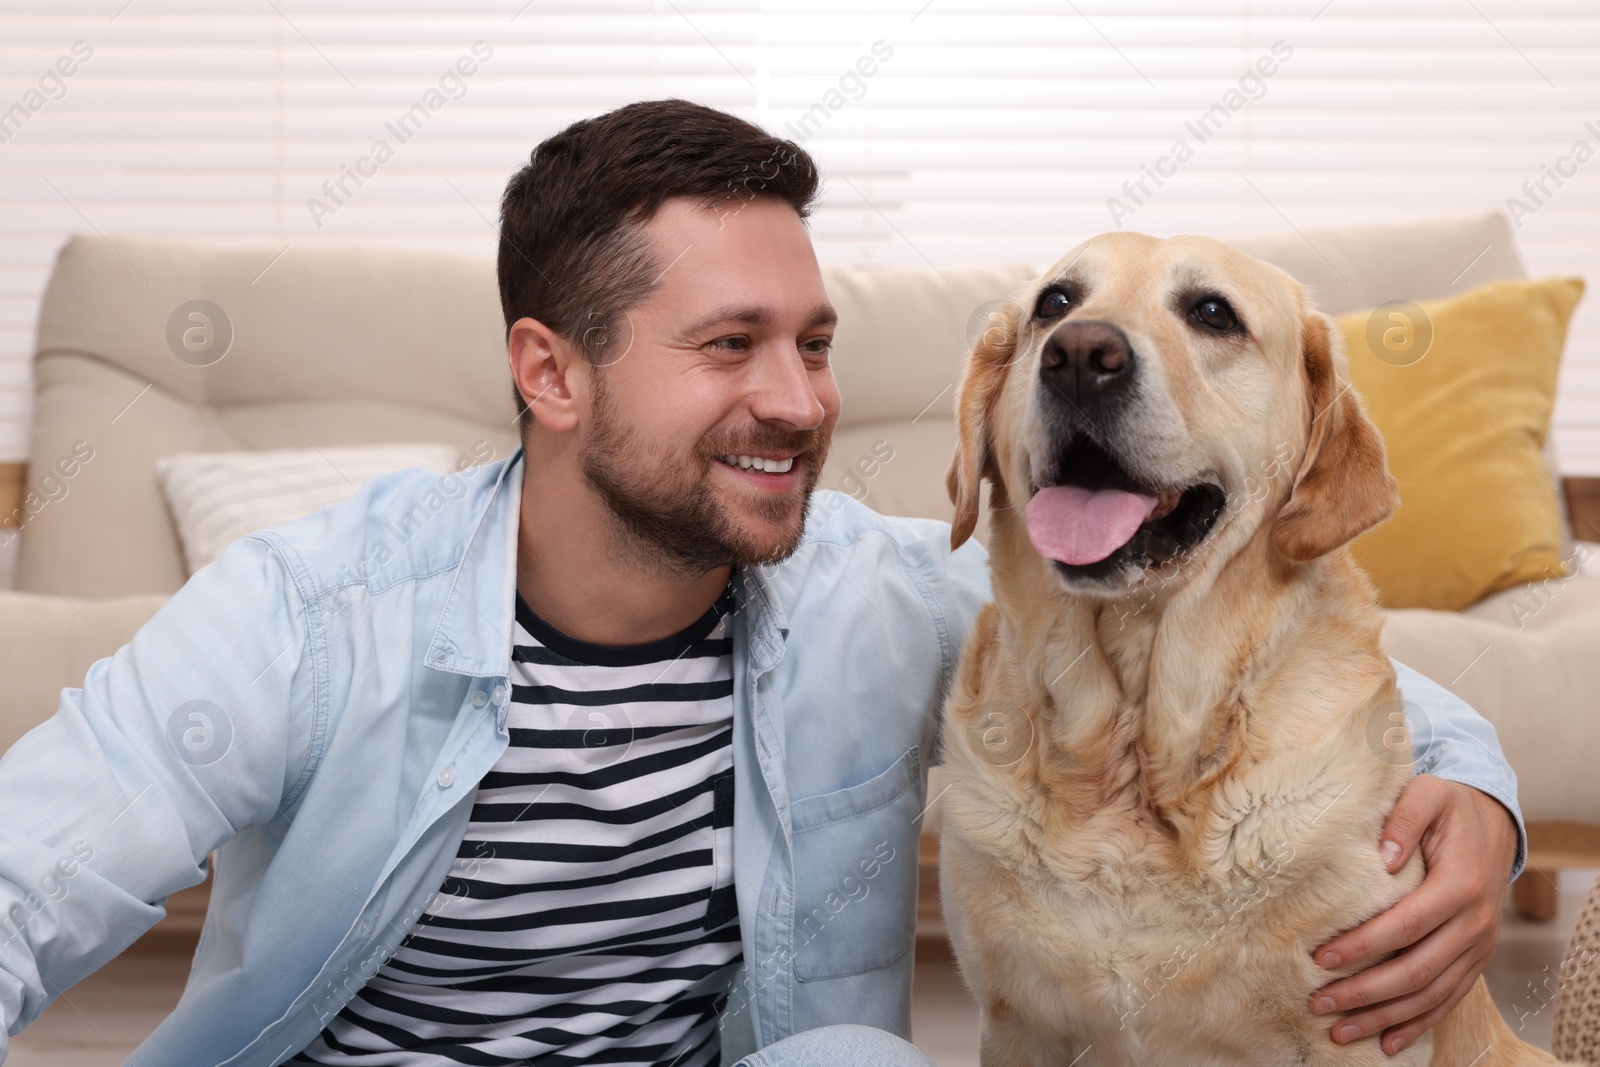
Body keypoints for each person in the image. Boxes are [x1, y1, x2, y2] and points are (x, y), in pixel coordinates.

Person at [0, 99, 1526, 1067]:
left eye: (813, 343)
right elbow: (30, 871)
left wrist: (1483, 804)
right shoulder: (308, 611)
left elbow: (1325, 685)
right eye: (730, 348)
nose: (798, 403)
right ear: (552, 373)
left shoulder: (883, 601)